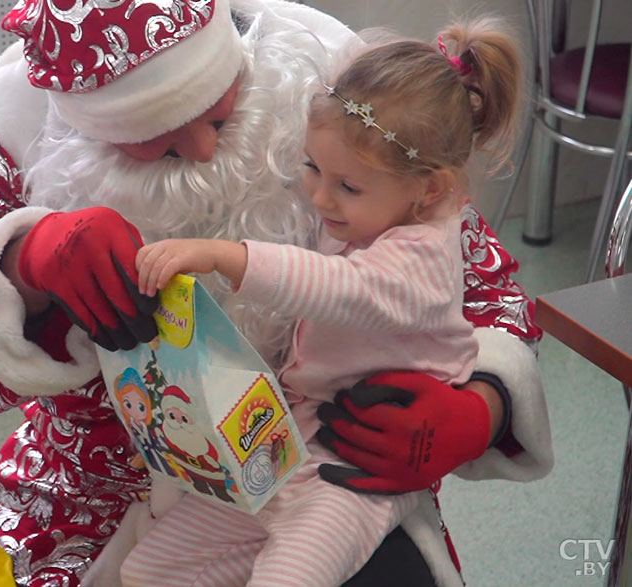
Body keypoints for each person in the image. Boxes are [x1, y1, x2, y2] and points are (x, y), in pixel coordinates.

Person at [0, 1, 553, 585]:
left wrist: (482, 407)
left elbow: (486, 291)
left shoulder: (341, 90)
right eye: (160, 139)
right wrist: (23, 265)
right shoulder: (15, 125)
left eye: (215, 108)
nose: (203, 148)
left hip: (332, 458)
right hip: (97, 496)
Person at [122, 18, 520, 586]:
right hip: (289, 443)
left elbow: (340, 288)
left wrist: (227, 256)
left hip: (355, 470)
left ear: (429, 189)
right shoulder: (375, 204)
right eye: (311, 167)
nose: (318, 196)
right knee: (149, 571)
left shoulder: (425, 256)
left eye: (346, 185)